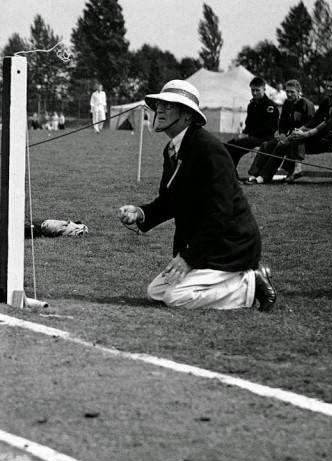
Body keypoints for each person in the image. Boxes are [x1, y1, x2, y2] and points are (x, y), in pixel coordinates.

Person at [118, 79, 276, 311]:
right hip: (206, 242)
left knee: (175, 297)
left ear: (188, 115)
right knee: (156, 292)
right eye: (159, 104)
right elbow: (170, 201)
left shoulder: (209, 150)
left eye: (169, 105)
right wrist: (140, 213)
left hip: (230, 246)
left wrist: (189, 258)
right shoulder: (173, 148)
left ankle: (250, 284)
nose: (160, 109)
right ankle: (243, 280)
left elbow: (220, 214)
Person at [253, 75, 332, 183]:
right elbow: (314, 121)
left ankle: (288, 170)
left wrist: (305, 134)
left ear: (299, 91)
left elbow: (327, 124)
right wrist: (294, 131)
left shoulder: (306, 104)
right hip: (318, 135)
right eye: (327, 86)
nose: (328, 89)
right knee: (280, 141)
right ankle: (259, 175)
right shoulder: (325, 100)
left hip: (331, 139)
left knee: (292, 139)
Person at [244, 79, 314, 184]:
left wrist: (295, 135)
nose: (289, 94)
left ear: (298, 91)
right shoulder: (287, 103)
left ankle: (264, 176)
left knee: (280, 146)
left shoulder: (307, 104)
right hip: (289, 136)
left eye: (292, 92)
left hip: (302, 139)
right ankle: (255, 173)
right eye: (287, 92)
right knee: (266, 144)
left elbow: (311, 124)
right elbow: (283, 123)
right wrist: (282, 133)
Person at [225, 76, 279, 174]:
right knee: (227, 146)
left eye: (257, 90)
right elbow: (248, 124)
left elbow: (267, 129)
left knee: (236, 146)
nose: (254, 93)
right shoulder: (251, 105)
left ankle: (232, 175)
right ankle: (230, 173)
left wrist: (247, 135)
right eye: (252, 90)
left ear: (264, 90)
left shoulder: (269, 107)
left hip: (265, 138)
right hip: (252, 137)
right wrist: (243, 134)